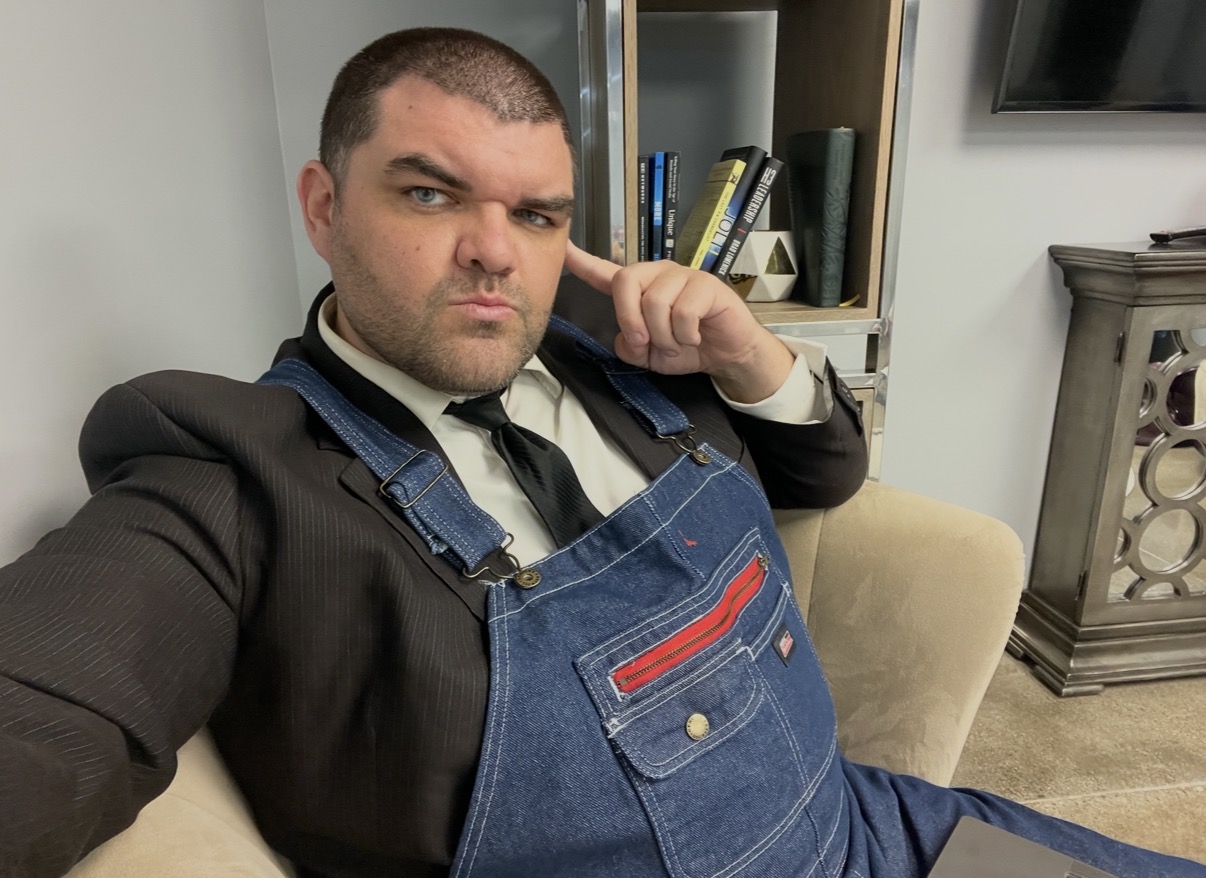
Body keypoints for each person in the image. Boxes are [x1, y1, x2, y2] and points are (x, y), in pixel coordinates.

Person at [0, 26, 1199, 878]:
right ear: (323, 203)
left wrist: (750, 356)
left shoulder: (621, 357)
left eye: (536, 214)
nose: (493, 251)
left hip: (867, 837)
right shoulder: (229, 469)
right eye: (430, 195)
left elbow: (827, 471)